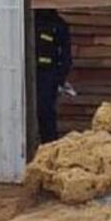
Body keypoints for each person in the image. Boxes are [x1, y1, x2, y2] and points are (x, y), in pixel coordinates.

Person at [35, 8, 73, 143]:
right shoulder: (26, 20)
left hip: (47, 75)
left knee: (45, 112)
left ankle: (49, 148)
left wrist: (59, 79)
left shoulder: (58, 25)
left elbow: (66, 57)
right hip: (24, 74)